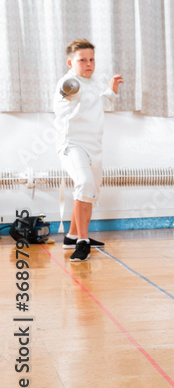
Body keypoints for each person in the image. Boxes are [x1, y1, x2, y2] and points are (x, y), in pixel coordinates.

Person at [53, 39, 123, 262]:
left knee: (88, 192)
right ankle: (82, 242)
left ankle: (72, 236)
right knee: (84, 184)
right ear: (70, 62)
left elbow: (100, 103)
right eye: (82, 60)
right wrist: (69, 90)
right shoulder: (68, 82)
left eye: (91, 59)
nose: (88, 63)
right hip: (72, 144)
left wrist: (111, 90)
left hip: (94, 146)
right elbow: (68, 93)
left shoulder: (92, 82)